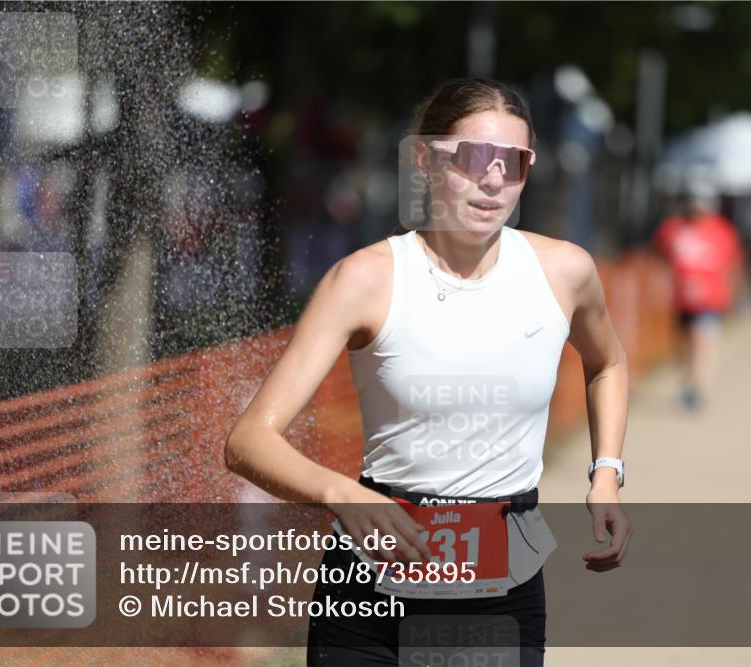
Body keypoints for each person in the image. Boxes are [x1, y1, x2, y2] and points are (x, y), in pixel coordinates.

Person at [225, 77, 632, 666]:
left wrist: (607, 475)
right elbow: (248, 440)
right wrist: (342, 494)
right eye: (473, 158)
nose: (494, 180)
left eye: (513, 163)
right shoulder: (365, 280)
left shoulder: (564, 271)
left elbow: (608, 363)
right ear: (424, 158)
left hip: (498, 589)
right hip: (370, 590)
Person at [653, 181, 743, 410]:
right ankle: (688, 382)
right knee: (683, 348)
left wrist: (732, 297)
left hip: (710, 301)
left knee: (702, 343)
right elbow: (660, 256)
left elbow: (732, 266)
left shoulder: (722, 231)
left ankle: (697, 388)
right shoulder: (674, 228)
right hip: (682, 300)